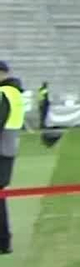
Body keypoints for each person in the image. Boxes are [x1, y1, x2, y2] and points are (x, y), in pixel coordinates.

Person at [0, 61, 23, 255]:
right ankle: (4, 240)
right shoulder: (14, 92)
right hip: (8, 149)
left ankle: (3, 240)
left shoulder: (4, 93)